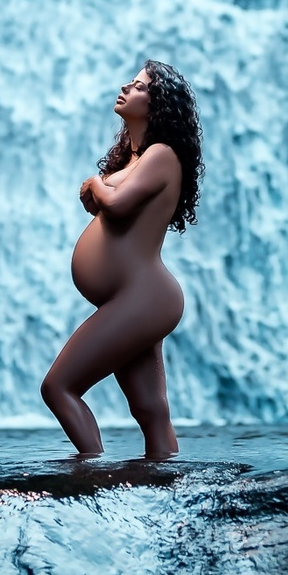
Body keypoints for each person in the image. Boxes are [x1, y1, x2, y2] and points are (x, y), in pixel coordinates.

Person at [41, 59, 204, 459]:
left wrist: (96, 185)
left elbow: (113, 204)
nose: (126, 88)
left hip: (144, 298)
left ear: (159, 104)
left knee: (58, 387)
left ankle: (90, 485)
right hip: (134, 298)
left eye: (139, 86)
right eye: (130, 83)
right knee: (150, 410)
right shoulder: (134, 160)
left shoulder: (162, 154)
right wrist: (98, 190)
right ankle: (165, 489)